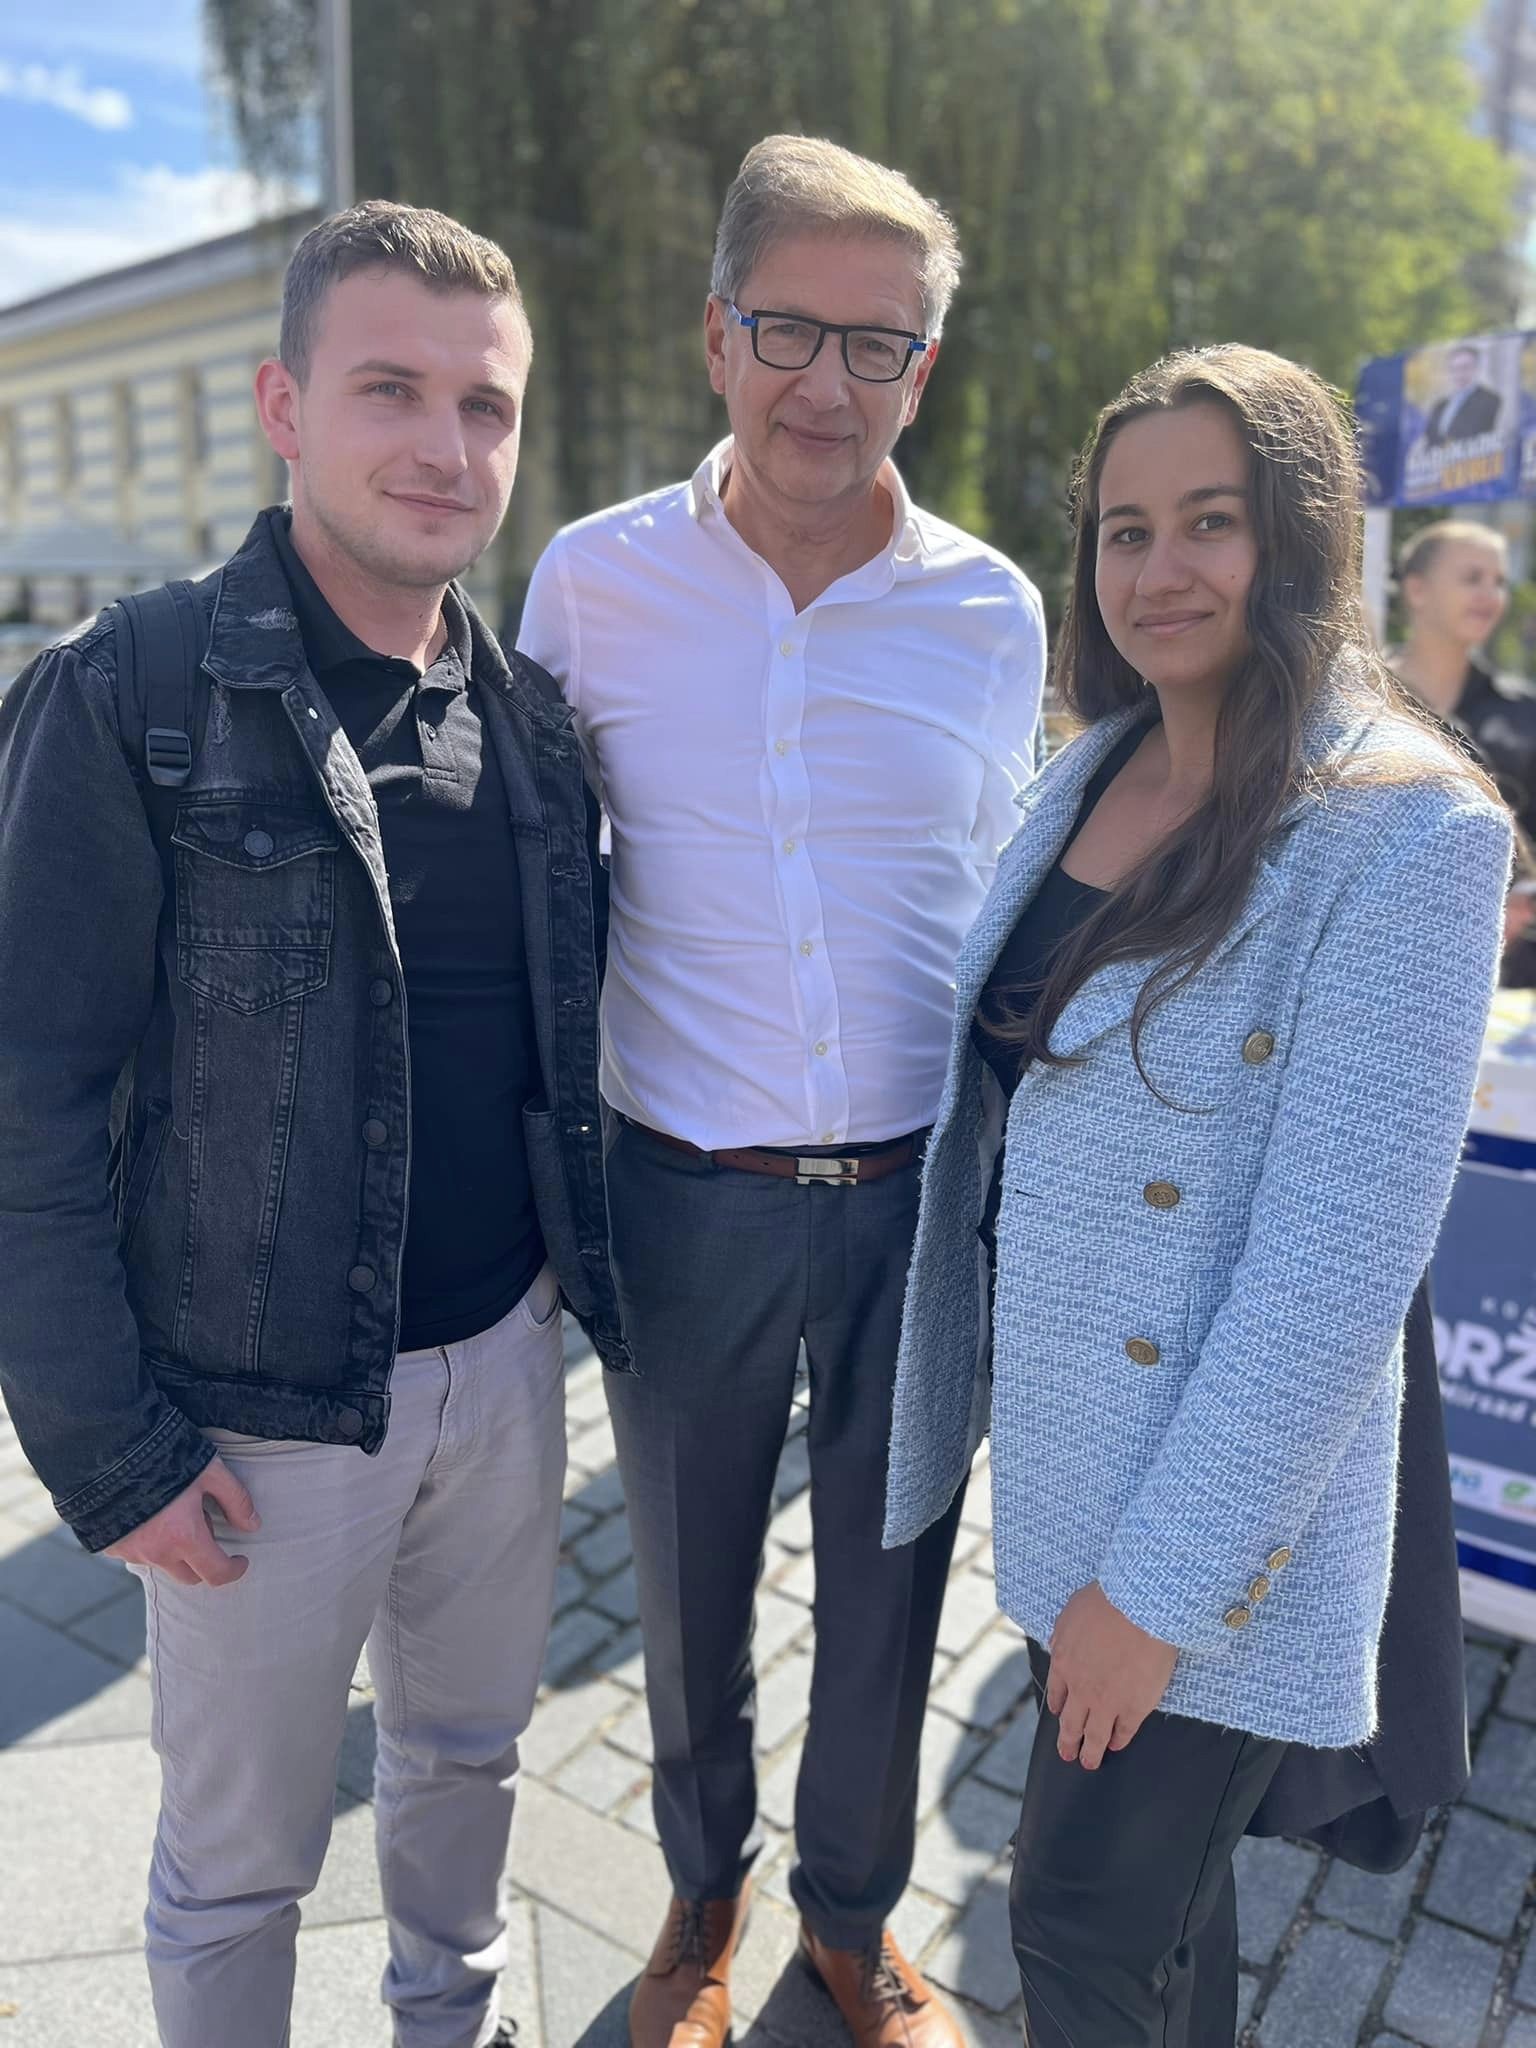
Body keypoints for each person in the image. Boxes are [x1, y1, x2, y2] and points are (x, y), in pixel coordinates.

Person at [0, 200, 627, 2048]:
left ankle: (454, 2018)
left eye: (485, 405)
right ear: (286, 407)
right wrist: (111, 1450)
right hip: (256, 1417)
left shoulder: (533, 724)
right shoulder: (129, 693)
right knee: (237, 1863)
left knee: (468, 1756)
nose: (447, 445)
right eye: (390, 390)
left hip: (503, 1375)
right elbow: (28, 1097)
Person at [883, 343, 1511, 2047]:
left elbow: (1335, 1271)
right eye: (1125, 529)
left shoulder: (1406, 830)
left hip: (1214, 1513)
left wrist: (1154, 1598)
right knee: (1160, 1923)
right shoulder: (1088, 769)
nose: (1159, 569)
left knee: (1079, 1925)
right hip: (1070, 1463)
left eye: (1211, 522)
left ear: (1300, 536)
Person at [518, 133, 1042, 2048]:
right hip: (687, 1189)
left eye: (877, 342)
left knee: (894, 1592)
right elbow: (538, 887)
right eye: (789, 329)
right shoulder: (591, 584)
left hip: (916, 1199)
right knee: (686, 1589)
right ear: (715, 334)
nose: (829, 381)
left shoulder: (991, 611)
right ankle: (696, 1898)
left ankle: (852, 1915)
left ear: (925, 368)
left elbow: (1008, 897)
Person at [1390, 519, 1536, 980]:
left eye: (1499, 581)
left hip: (1503, 971)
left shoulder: (1524, 714)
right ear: (1417, 589)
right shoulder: (1358, 698)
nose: (1490, 595)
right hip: (1382, 948)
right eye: (1472, 578)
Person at [1423, 342, 1503, 446]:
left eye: (1465, 367)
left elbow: (1471, 434)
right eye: (1454, 369)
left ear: (1476, 368)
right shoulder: (1440, 405)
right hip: (1437, 456)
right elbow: (1430, 438)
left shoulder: (1490, 400)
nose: (1459, 374)